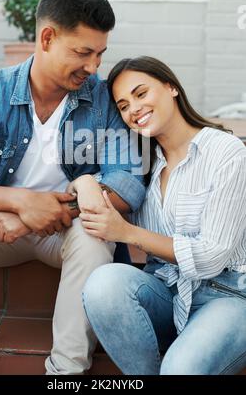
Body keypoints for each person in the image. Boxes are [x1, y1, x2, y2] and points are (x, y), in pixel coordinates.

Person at [0, 0, 146, 375]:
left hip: (65, 234)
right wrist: (18, 202)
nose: (93, 67)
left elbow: (126, 185)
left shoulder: (105, 99)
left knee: (95, 233)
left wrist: (40, 213)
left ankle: (66, 373)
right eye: (83, 52)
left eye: (100, 53)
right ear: (47, 38)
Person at [80, 56, 246, 375]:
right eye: (124, 105)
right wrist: (84, 180)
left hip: (230, 295)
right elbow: (95, 193)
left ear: (171, 87)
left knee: (180, 369)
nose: (134, 109)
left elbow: (212, 256)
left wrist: (127, 233)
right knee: (103, 284)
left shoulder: (226, 152)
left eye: (141, 94)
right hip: (168, 293)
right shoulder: (144, 166)